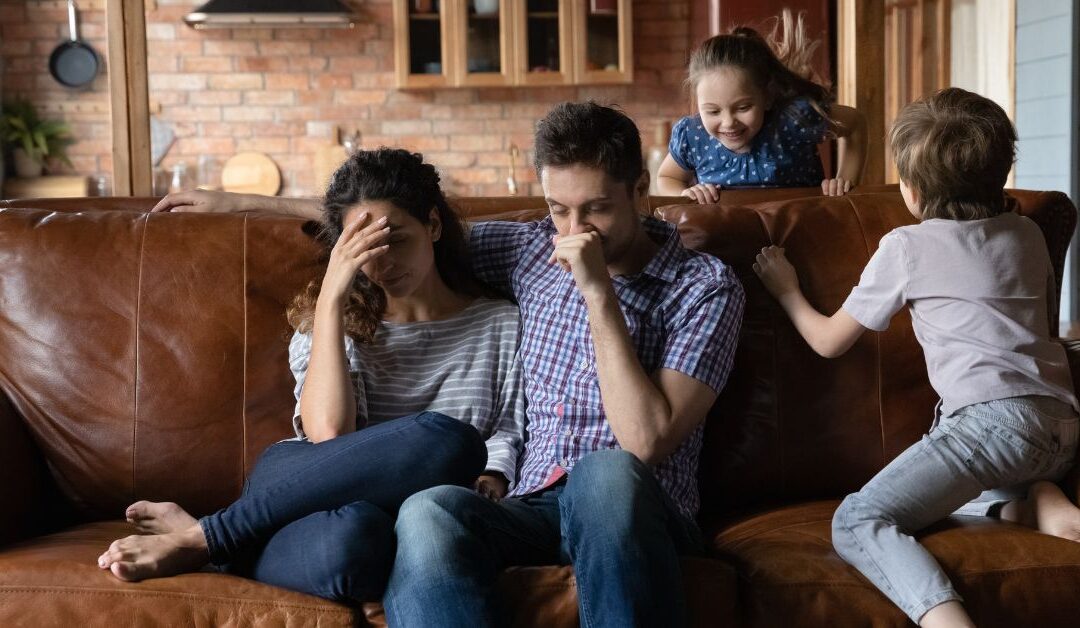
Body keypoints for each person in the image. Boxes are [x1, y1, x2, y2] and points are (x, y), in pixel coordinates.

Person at [151, 102, 745, 625]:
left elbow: (644, 442)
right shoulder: (530, 246)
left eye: (597, 209)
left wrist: (598, 295)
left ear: (642, 191)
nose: (573, 231)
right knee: (430, 508)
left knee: (606, 471)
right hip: (532, 504)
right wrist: (242, 202)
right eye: (558, 209)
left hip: (637, 505)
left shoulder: (704, 287)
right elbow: (391, 220)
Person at [97, 148, 526, 604]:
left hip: (393, 518)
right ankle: (211, 536)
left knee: (365, 541)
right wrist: (332, 301)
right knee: (445, 441)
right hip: (301, 484)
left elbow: (507, 430)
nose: (381, 264)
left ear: (434, 226)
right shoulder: (327, 321)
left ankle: (208, 541)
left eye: (395, 240)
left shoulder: (501, 324)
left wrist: (495, 475)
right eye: (361, 250)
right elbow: (329, 433)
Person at [752, 87, 1080, 628]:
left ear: (910, 189)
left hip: (991, 427)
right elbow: (1042, 322)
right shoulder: (1027, 231)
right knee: (955, 501)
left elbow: (829, 341)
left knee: (859, 518)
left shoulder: (906, 246)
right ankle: (1037, 504)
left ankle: (945, 622)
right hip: (1061, 427)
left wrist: (786, 289)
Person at [657, 10, 866, 202]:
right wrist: (684, 193)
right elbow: (667, 177)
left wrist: (844, 182)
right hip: (724, 241)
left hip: (799, 237)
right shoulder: (692, 136)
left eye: (743, 107)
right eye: (713, 111)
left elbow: (855, 124)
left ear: (767, 96)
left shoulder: (794, 119)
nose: (728, 122)